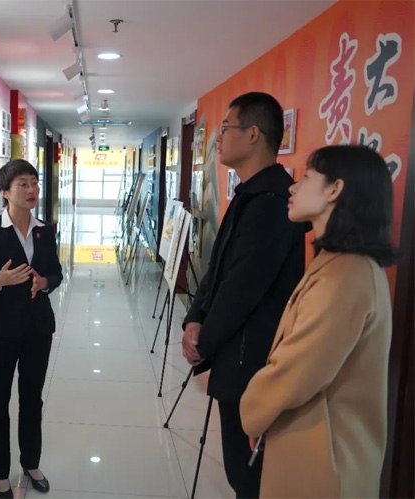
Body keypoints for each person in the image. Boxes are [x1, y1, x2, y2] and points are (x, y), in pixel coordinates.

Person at [240, 145, 397, 498]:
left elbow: (296, 370)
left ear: (335, 189)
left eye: (307, 177)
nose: (293, 187)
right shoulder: (337, 262)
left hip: (326, 463)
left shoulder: (347, 275)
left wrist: (254, 410)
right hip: (315, 450)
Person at [181, 92, 307, 498]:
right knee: (240, 468)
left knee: (249, 476)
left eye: (225, 128)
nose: (218, 137)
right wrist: (194, 318)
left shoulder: (272, 203)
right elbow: (218, 269)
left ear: (252, 134)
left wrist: (204, 343)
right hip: (234, 355)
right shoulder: (249, 194)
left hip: (251, 361)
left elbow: (242, 288)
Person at [0, 159, 62, 499]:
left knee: (32, 399)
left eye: (34, 182)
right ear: (5, 192)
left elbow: (56, 272)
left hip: (38, 328)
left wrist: (45, 282)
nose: (32, 189)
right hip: (1, 332)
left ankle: (31, 463)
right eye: (23, 184)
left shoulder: (45, 231)